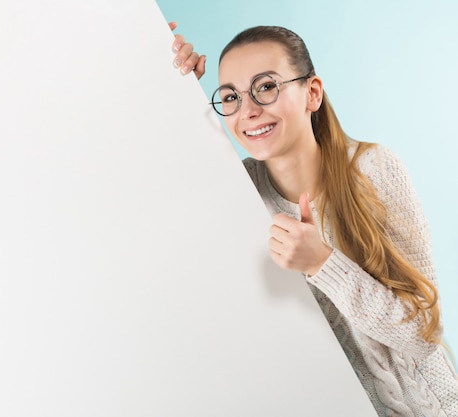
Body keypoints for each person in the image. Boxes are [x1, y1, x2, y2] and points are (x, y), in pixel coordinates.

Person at [169, 22, 458, 416]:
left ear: (312, 92)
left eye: (266, 86)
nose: (249, 110)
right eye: (231, 96)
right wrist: (172, 88)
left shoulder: (373, 169)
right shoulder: (239, 194)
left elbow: (424, 333)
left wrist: (323, 263)